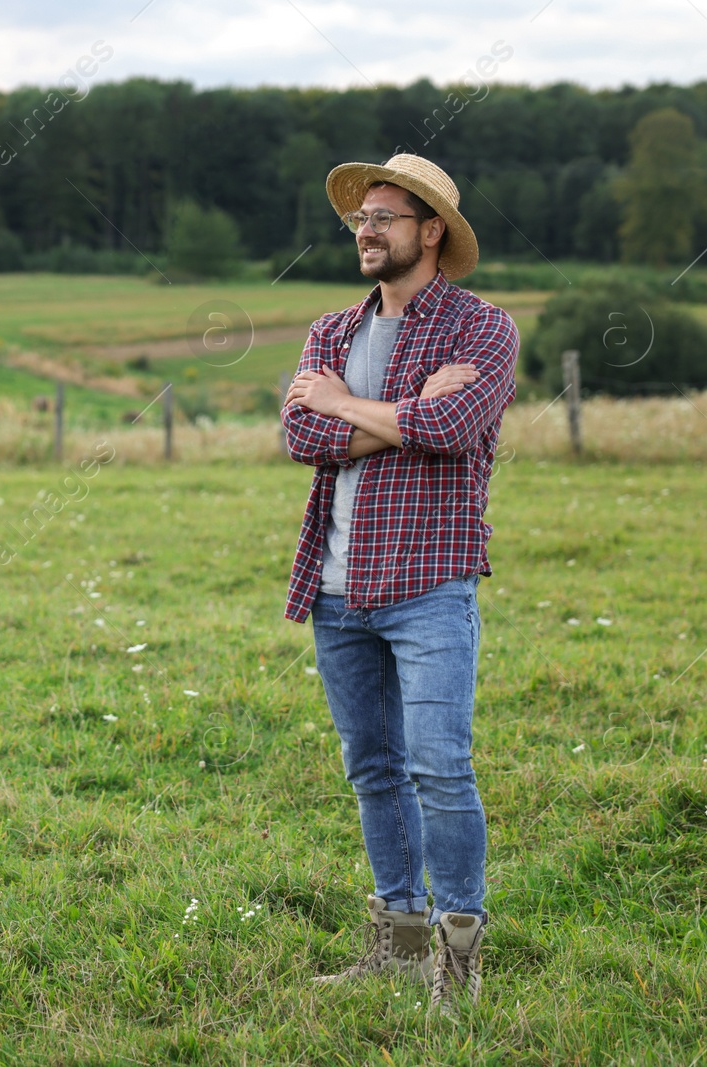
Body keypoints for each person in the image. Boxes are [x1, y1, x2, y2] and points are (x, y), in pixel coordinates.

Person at [280, 154, 518, 1016]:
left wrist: (344, 404)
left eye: (385, 216)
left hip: (428, 585)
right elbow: (301, 437)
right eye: (359, 219)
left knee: (441, 769)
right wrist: (390, 410)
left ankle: (457, 962)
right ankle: (397, 938)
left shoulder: (480, 330)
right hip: (337, 589)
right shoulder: (331, 331)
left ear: (431, 232)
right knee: (373, 768)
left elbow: (452, 428)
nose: (367, 230)